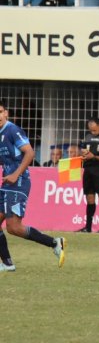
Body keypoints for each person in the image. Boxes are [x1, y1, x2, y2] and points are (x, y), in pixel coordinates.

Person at [0, 100, 65, 272]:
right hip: (6, 183)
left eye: (0, 111)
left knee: (13, 227)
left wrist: (15, 174)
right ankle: (7, 263)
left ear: (6, 113)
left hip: (19, 181)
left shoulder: (12, 130)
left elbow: (30, 152)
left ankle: (54, 242)